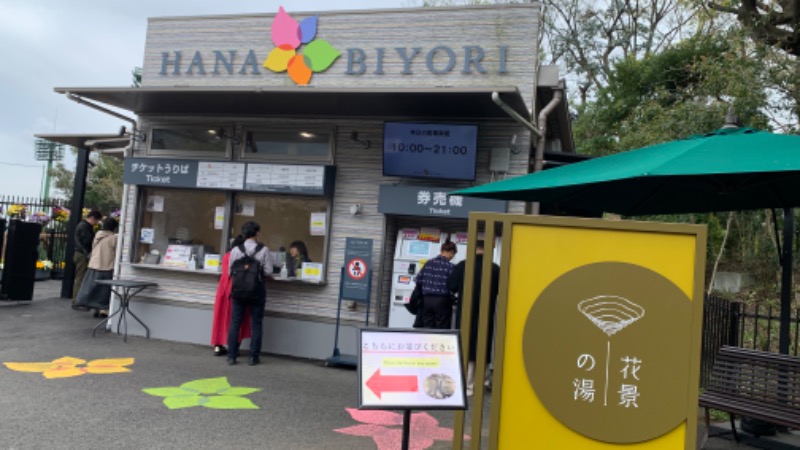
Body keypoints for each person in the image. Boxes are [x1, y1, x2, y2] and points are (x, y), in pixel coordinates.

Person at [447, 242, 500, 396]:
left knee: (466, 344)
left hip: (466, 312)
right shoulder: (495, 268)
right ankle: (483, 382)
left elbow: (451, 286)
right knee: (483, 344)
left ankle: (467, 385)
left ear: (473, 249)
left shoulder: (463, 266)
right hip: (486, 312)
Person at [227, 221, 273, 366]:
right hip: (256, 291)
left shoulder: (235, 250)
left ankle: (232, 356)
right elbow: (268, 271)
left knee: (235, 323)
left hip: (238, 291)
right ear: (257, 233)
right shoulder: (263, 250)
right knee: (257, 323)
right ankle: (253, 357)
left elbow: (230, 271)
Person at [209, 235, 251, 357]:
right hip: (236, 290)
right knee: (237, 320)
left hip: (223, 290)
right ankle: (234, 347)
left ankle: (217, 347)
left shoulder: (226, 256)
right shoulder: (242, 257)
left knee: (220, 318)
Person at [75, 218, 118, 317]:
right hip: (107, 266)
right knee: (104, 289)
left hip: (94, 265)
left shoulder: (98, 235)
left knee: (93, 287)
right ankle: (103, 309)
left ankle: (95, 308)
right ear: (114, 227)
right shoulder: (113, 238)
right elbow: (116, 252)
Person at [413, 241, 457, 329]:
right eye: (453, 254)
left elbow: (418, 280)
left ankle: (428, 342)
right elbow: (453, 285)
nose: (452, 256)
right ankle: (439, 343)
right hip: (442, 301)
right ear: (451, 253)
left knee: (427, 326)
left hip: (427, 300)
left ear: (441, 250)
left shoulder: (428, 263)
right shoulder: (450, 266)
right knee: (442, 327)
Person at [72, 209, 102, 309]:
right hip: (82, 254)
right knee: (81, 277)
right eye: (96, 221)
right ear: (92, 218)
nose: (96, 223)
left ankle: (77, 300)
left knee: (81, 277)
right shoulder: (85, 227)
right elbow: (87, 242)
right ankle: (76, 301)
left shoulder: (83, 225)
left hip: (80, 253)